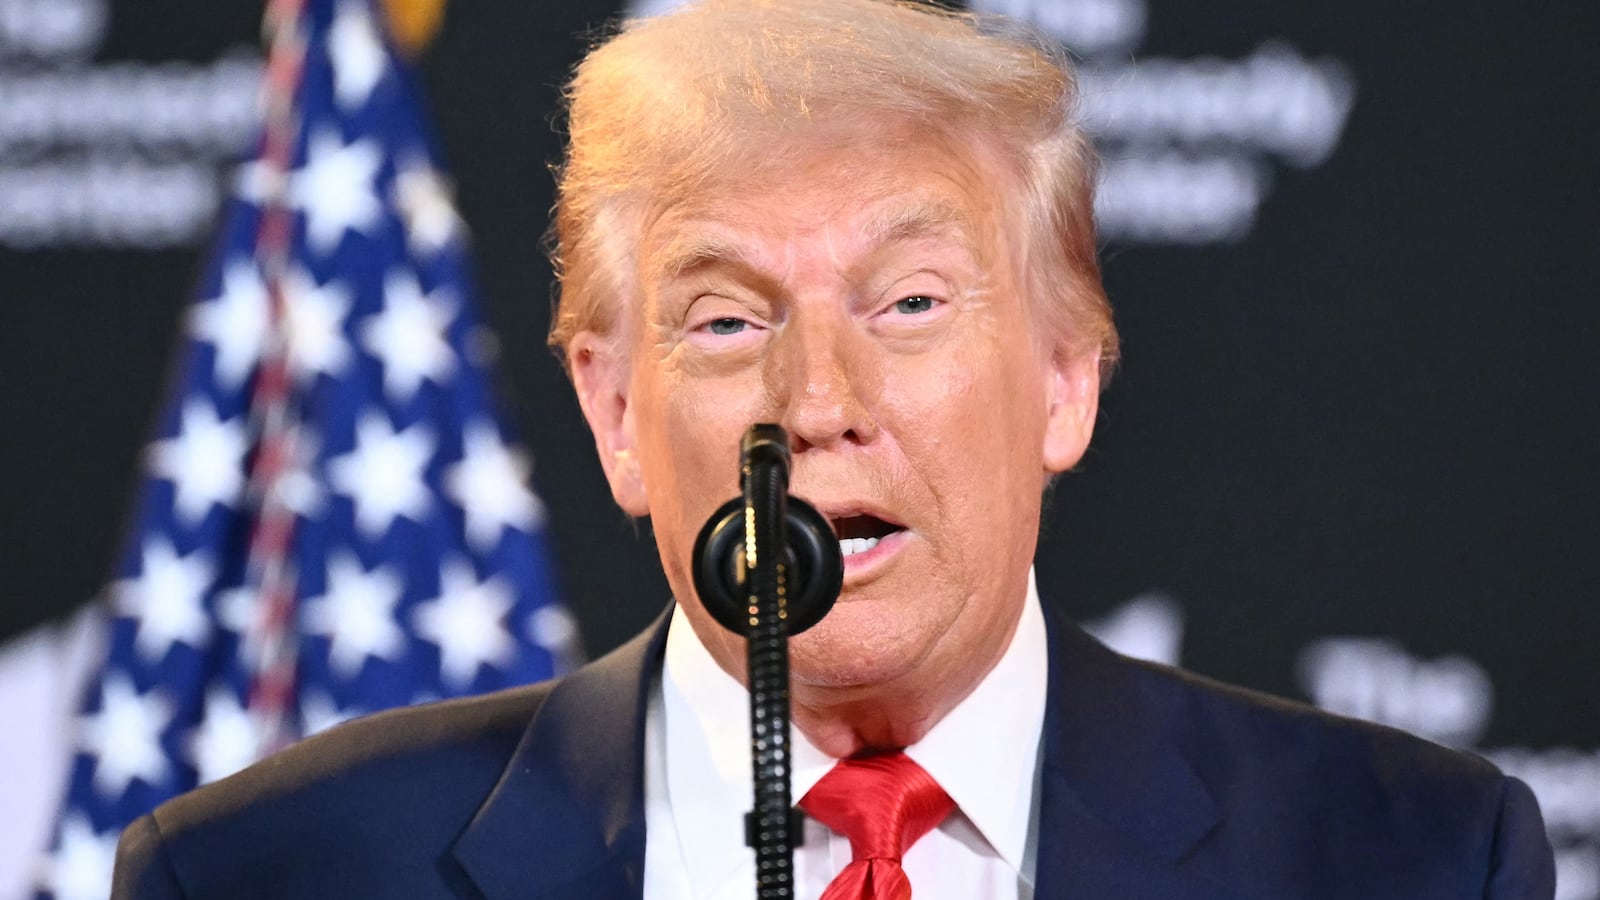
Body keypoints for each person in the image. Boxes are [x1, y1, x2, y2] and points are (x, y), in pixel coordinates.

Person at [112, 1, 1555, 898]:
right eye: (729, 321)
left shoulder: (1408, 862)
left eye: (910, 305)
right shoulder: (267, 875)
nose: (817, 403)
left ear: (1066, 376)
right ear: (615, 413)